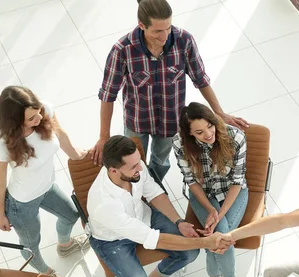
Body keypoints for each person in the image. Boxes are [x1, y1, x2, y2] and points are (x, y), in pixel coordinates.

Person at [87, 135, 233, 277]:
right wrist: (205, 242)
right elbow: (153, 239)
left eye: (139, 161)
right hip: (112, 240)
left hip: (143, 219)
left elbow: (153, 193)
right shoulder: (104, 204)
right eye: (134, 166)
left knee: (189, 253)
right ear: (114, 171)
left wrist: (178, 222)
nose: (140, 167)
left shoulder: (134, 169)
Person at [91, 0, 248, 181]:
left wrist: (219, 113)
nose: (165, 36)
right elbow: (108, 95)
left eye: (168, 28)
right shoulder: (122, 50)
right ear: (142, 25)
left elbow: (200, 79)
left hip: (170, 120)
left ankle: (154, 187)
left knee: (161, 161)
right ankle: (140, 189)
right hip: (137, 120)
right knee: (133, 162)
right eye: (158, 31)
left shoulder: (184, 41)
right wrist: (104, 136)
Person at [0, 86, 89, 276]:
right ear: (15, 121)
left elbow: (60, 134)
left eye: (38, 113)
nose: (39, 119)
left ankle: (65, 245)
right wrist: (1, 214)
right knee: (30, 245)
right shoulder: (1, 143)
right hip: (22, 202)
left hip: (47, 187)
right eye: (31, 118)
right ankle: (45, 274)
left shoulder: (44, 110)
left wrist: (77, 155)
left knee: (71, 215)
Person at [173, 102, 249, 277]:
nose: (207, 134)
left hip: (233, 193)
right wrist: (210, 209)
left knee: (218, 236)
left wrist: (220, 213)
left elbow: (237, 182)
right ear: (189, 134)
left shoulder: (235, 137)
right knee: (222, 236)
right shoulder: (179, 144)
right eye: (199, 132)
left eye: (209, 127)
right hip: (203, 196)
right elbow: (192, 182)